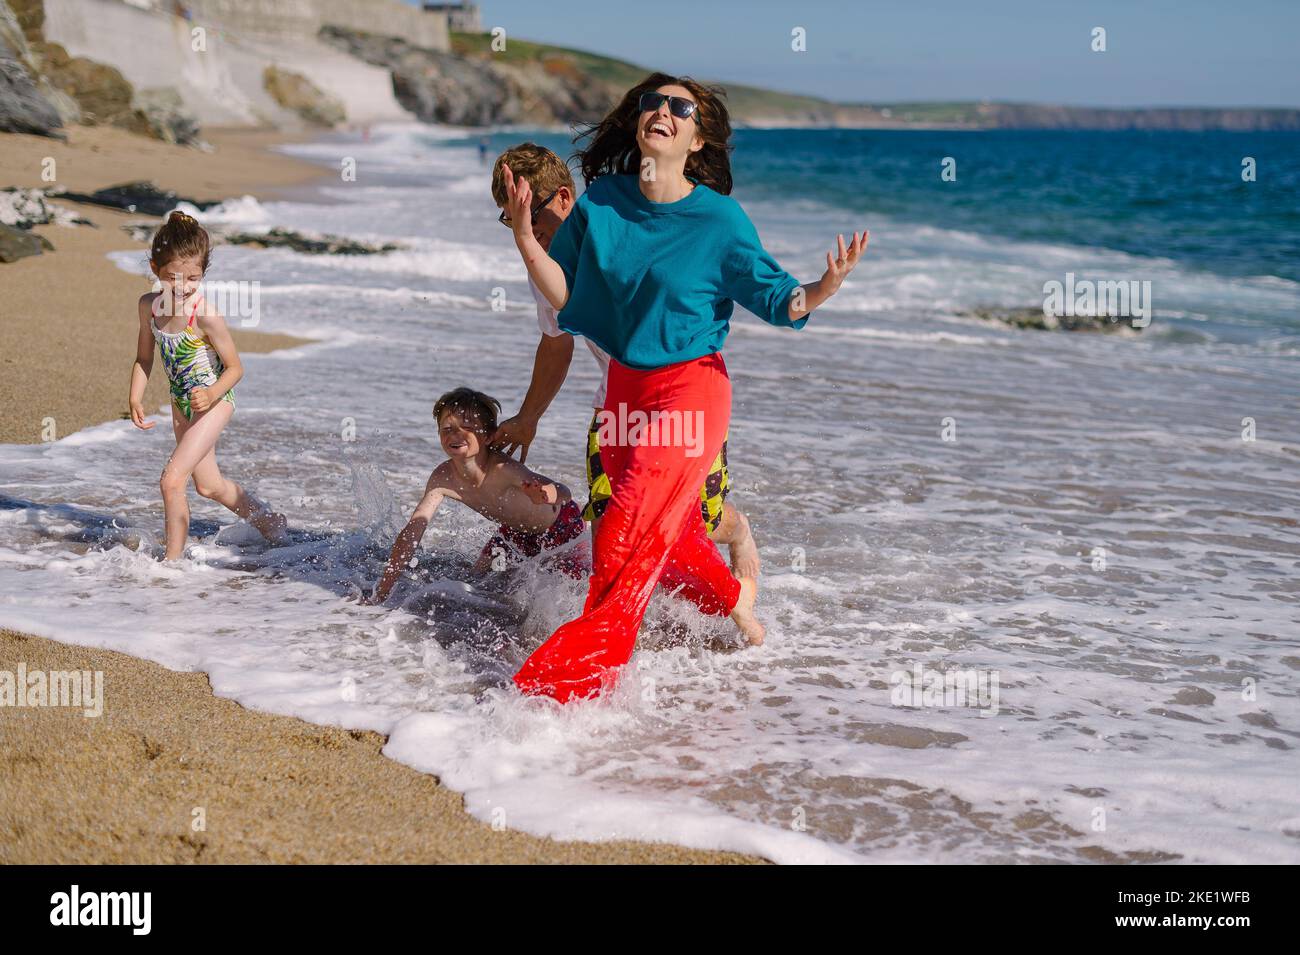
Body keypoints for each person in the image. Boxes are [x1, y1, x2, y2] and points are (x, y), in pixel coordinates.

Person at [501, 73, 867, 701]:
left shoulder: (719, 221)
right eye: (652, 102)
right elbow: (570, 303)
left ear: (697, 138)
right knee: (665, 545)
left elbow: (779, 301)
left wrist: (823, 288)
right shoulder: (602, 205)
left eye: (680, 107)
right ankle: (733, 598)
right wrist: (526, 237)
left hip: (689, 391)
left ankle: (572, 687)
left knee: (620, 529)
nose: (662, 112)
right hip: (623, 393)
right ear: (638, 120)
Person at [487, 143, 760, 580]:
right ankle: (629, 629)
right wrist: (528, 417)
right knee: (610, 521)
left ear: (563, 197)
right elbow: (556, 343)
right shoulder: (542, 266)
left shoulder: (621, 235)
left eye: (529, 213)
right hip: (616, 402)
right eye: (510, 217)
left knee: (700, 518)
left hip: (683, 396)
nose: (525, 228)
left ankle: (739, 529)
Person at [128, 211, 287, 561]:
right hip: (181, 403)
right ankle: (271, 522)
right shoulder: (148, 307)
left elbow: (235, 368)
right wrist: (135, 396)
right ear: (155, 268)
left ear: (203, 274)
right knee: (208, 485)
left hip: (216, 402)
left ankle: (171, 564)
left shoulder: (205, 315)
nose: (182, 286)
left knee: (171, 480)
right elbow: (144, 357)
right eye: (172, 277)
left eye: (193, 278)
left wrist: (212, 393)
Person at [362, 388, 584, 604]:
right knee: (477, 580)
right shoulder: (443, 477)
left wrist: (545, 495)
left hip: (560, 531)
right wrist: (382, 589)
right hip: (513, 534)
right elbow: (413, 531)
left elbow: (564, 491)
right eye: (446, 428)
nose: (455, 434)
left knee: (560, 593)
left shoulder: (503, 469)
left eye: (467, 427)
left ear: (488, 437)